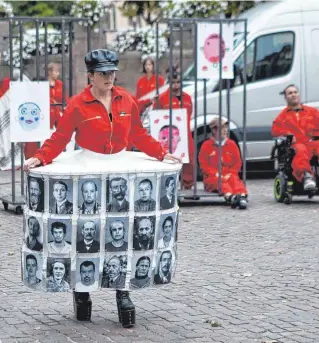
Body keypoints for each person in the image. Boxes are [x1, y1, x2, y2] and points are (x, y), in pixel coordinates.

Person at [23, 48, 181, 328]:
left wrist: (160, 153)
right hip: (89, 171)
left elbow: (137, 133)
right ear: (91, 76)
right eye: (104, 73)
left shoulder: (126, 99)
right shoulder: (77, 104)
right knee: (89, 230)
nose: (110, 77)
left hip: (119, 170)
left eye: (112, 72)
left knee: (124, 232)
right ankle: (82, 293)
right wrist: (41, 156)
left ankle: (123, 293)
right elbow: (60, 137)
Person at [272, 84, 319, 190]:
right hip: (296, 145)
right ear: (285, 97)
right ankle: (307, 176)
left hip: (312, 142)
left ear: (299, 94)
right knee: (300, 149)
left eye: (295, 92)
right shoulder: (282, 115)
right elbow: (275, 130)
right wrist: (287, 133)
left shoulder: (312, 111)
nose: (293, 95)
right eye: (290, 93)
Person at [199, 117, 248, 209]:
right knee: (220, 183)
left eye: (226, 128)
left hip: (229, 174)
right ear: (214, 130)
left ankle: (242, 196)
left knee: (235, 181)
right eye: (222, 128)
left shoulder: (232, 144)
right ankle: (230, 197)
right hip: (213, 176)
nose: (225, 130)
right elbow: (203, 165)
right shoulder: (206, 146)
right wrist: (216, 174)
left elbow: (237, 163)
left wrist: (231, 173)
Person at [156, 72, 195, 189]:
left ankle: (188, 186)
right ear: (169, 83)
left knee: (188, 159)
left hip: (186, 133)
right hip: (167, 136)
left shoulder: (187, 97)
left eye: (178, 82)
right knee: (170, 159)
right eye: (173, 83)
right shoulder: (162, 98)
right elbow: (156, 116)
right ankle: (168, 187)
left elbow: (190, 113)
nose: (176, 85)